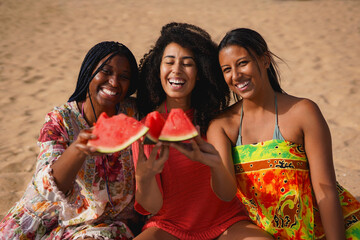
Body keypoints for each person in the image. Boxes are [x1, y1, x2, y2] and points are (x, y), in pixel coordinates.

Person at [208, 28, 360, 239]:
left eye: (243, 63)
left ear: (265, 60)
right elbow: (225, 193)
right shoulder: (222, 125)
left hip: (314, 229)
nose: (235, 75)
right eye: (226, 69)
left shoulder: (304, 112)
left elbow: (325, 189)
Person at [132, 22, 272, 240]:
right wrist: (144, 177)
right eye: (169, 62)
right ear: (157, 70)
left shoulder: (215, 120)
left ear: (199, 73)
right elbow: (153, 205)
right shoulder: (147, 129)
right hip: (170, 226)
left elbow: (227, 194)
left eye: (187, 64)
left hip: (227, 222)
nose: (176, 70)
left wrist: (215, 164)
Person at [0, 41, 143, 239]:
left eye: (124, 77)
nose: (114, 82)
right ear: (88, 72)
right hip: (44, 213)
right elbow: (49, 187)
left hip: (106, 225)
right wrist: (78, 149)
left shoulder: (134, 113)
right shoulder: (59, 120)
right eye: (106, 72)